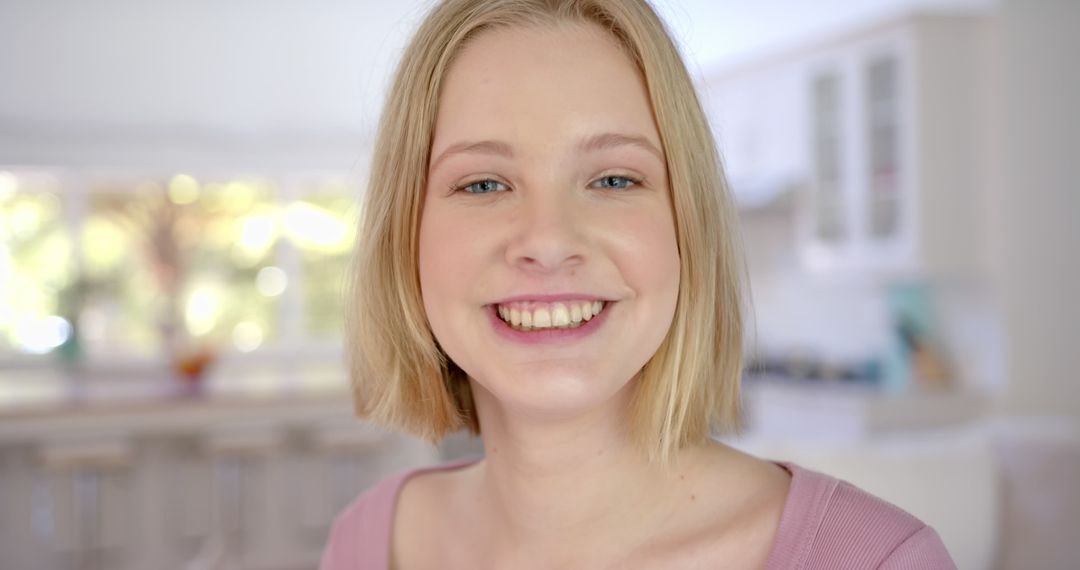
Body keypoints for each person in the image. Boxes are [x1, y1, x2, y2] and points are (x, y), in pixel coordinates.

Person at [321, 0, 956, 568]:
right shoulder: (369, 541)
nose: (548, 241)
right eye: (483, 183)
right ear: (405, 234)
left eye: (614, 180)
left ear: (687, 227)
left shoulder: (876, 560)